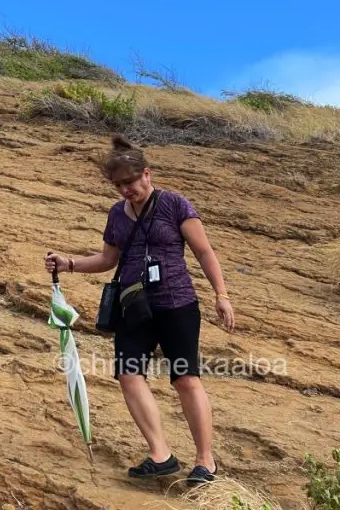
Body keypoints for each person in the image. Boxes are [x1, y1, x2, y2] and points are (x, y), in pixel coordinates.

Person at [44, 136, 235, 487]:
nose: (125, 191)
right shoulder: (116, 214)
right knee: (128, 375)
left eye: (129, 183)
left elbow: (204, 252)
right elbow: (107, 259)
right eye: (118, 186)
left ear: (147, 174)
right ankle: (161, 454)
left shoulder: (175, 204)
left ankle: (205, 462)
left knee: (185, 379)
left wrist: (221, 295)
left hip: (177, 304)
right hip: (133, 306)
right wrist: (69, 262)